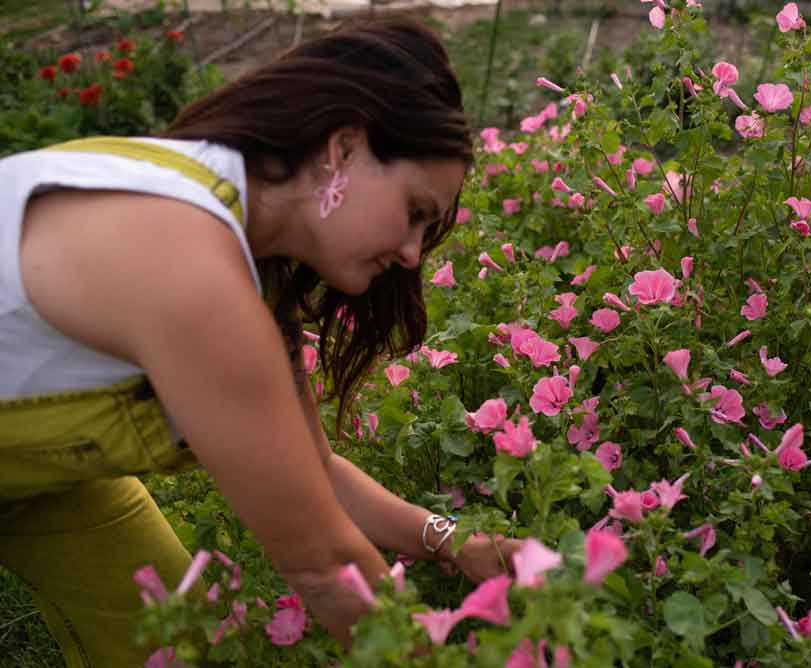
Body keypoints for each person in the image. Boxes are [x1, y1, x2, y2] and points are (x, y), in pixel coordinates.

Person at [0, 17, 518, 667]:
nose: (413, 254)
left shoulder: (241, 252)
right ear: (344, 149)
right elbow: (324, 566)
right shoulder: (188, 260)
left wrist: (452, 541)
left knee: (177, 645)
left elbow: (315, 470)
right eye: (414, 211)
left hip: (44, 475)